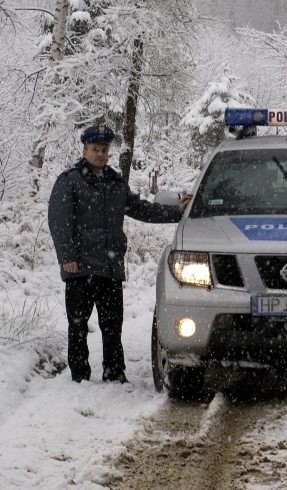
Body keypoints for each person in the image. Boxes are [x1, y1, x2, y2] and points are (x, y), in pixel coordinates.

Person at [48, 124, 192, 384]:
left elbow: (140, 208)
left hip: (110, 268)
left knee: (112, 326)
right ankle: (80, 376)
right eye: (95, 149)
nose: (100, 154)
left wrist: (175, 213)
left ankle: (114, 372)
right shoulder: (69, 181)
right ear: (85, 150)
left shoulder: (115, 183)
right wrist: (67, 256)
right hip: (79, 268)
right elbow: (59, 222)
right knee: (78, 326)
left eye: (103, 150)